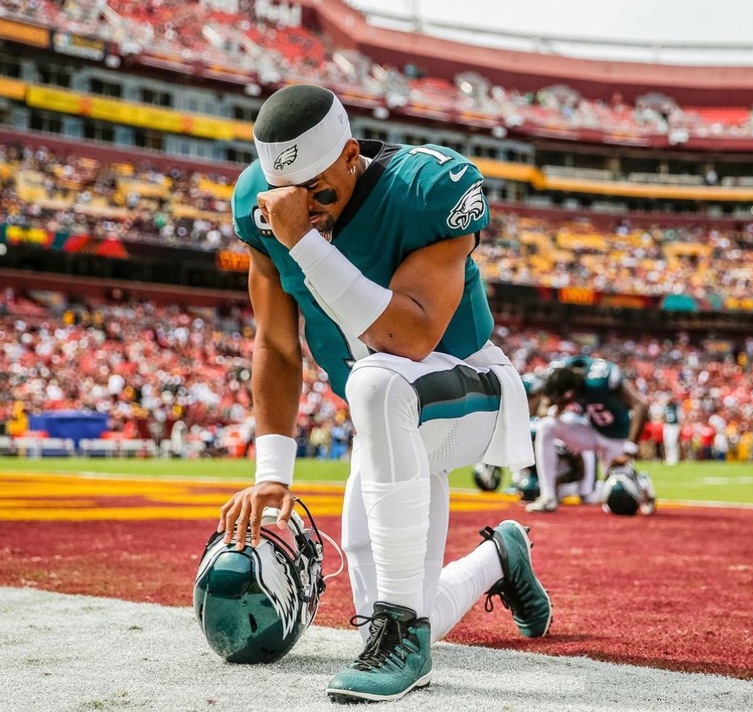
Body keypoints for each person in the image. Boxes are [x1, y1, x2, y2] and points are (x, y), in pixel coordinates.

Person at [216, 86, 550, 703]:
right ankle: (498, 560)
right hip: (385, 410)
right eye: (287, 196)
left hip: (464, 392)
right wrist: (273, 472)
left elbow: (410, 336)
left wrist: (304, 243)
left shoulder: (429, 187)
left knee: (376, 378)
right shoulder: (256, 206)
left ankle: (404, 635)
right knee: (380, 613)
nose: (304, 210)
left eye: (318, 192)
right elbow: (277, 345)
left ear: (350, 156)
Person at [526, 355, 649, 513]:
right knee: (546, 426)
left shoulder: (600, 378)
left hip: (617, 438)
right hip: (591, 432)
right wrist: (557, 408)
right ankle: (548, 496)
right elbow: (545, 409)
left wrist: (630, 450)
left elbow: (640, 406)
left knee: (618, 496)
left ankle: (643, 484)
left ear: (570, 392)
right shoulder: (561, 375)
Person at [663, 398, 681, 465]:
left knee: (672, 442)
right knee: (667, 443)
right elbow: (664, 416)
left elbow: (679, 417)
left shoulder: (676, 407)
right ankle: (668, 458)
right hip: (667, 425)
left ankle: (674, 458)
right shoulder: (665, 407)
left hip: (674, 426)